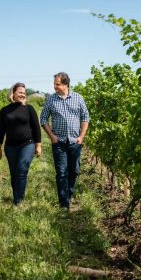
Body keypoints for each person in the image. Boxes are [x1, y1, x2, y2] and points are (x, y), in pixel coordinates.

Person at [40, 72, 89, 209]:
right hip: (59, 142)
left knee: (75, 171)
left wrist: (81, 137)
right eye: (54, 84)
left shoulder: (78, 98)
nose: (54, 86)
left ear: (66, 84)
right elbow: (43, 119)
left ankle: (69, 194)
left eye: (57, 84)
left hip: (75, 141)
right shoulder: (51, 99)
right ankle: (64, 204)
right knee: (62, 172)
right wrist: (52, 137)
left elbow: (85, 117)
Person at [0, 82, 41, 206]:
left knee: (22, 170)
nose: (22, 94)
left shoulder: (29, 109)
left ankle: (18, 202)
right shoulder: (4, 111)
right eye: (20, 92)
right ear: (13, 93)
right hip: (10, 147)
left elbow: (36, 128)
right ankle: (17, 195)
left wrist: (38, 145)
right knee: (14, 172)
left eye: (24, 93)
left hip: (27, 144)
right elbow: (1, 130)